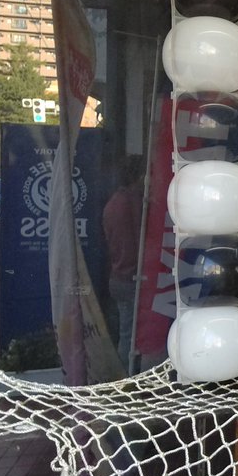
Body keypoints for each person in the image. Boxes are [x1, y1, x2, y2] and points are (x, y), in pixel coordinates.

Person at [102, 156, 143, 372]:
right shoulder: (133, 202)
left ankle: (125, 374)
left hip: (117, 276)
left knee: (126, 331)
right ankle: (126, 377)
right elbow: (140, 239)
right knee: (130, 334)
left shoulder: (113, 203)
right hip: (132, 277)